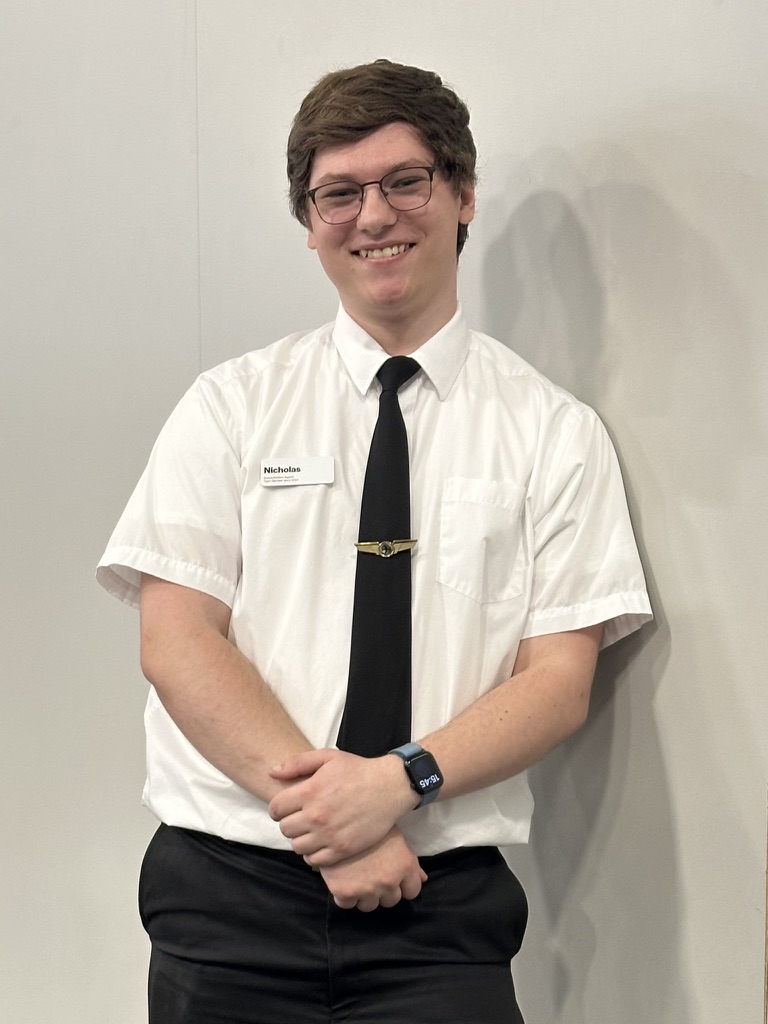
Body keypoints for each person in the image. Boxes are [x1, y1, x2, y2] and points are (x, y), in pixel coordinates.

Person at [97, 59, 651, 1024]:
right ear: (309, 223)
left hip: (437, 911)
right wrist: (341, 828)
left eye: (405, 181)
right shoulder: (230, 408)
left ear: (462, 193)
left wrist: (399, 782)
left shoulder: (554, 434)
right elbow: (177, 640)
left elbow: (558, 681)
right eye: (338, 194)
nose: (373, 216)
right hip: (227, 896)